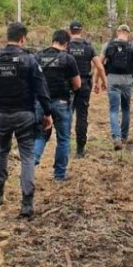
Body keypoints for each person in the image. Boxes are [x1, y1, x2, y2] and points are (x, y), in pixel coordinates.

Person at [0, 22, 53, 218]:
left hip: (2, 114)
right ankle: (27, 203)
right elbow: (41, 88)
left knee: (2, 152)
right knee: (27, 157)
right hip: (25, 114)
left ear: (7, 37)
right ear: (22, 39)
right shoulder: (29, 59)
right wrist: (47, 114)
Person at [34, 30, 81, 181]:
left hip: (41, 103)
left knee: (40, 135)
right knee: (63, 139)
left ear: (52, 40)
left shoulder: (37, 57)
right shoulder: (68, 59)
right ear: (66, 44)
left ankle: (31, 163)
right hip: (61, 102)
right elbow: (77, 84)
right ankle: (59, 175)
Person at [100, 24, 133, 150]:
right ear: (128, 33)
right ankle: (124, 136)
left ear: (118, 32)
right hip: (127, 80)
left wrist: (101, 79)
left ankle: (116, 137)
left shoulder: (108, 45)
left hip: (112, 79)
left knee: (114, 110)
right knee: (125, 109)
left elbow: (99, 62)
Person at [67, 21, 107, 158]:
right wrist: (103, 81)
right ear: (81, 31)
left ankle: (64, 146)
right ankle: (80, 149)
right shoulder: (88, 47)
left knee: (67, 115)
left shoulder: (65, 46)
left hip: (67, 85)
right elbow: (100, 67)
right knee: (82, 116)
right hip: (84, 83)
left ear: (69, 31)